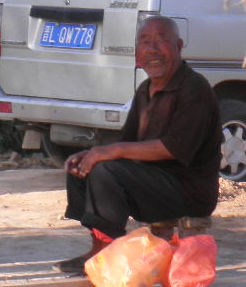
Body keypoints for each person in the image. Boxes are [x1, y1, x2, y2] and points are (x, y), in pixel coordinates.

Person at [54, 16, 221, 274]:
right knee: (83, 166)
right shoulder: (145, 89)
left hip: (188, 192)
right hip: (152, 183)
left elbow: (173, 148)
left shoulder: (194, 88)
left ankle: (107, 252)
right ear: (137, 54)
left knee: (105, 169)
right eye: (145, 42)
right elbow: (126, 140)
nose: (152, 49)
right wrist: (92, 153)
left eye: (161, 40)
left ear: (178, 45)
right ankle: (99, 246)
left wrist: (111, 152)